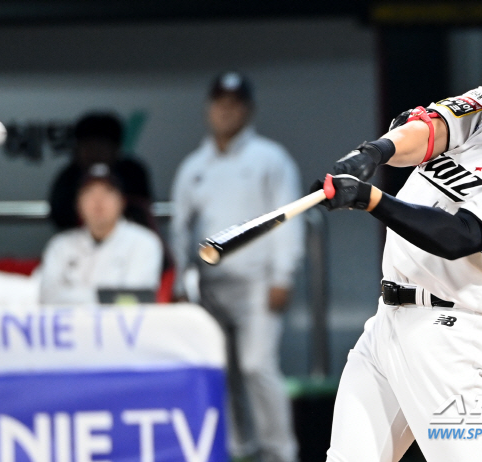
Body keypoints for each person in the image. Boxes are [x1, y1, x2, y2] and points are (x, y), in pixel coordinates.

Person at [313, 30, 482, 462]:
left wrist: (371, 199)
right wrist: (375, 152)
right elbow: (430, 130)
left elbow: (460, 237)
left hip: (453, 339)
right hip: (388, 321)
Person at [171, 72, 304, 462]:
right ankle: (234, 448)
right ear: (209, 109)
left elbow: (287, 218)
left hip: (258, 281)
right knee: (220, 369)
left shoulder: (270, 158)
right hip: (211, 284)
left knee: (256, 365)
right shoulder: (193, 166)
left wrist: (283, 275)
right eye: (220, 103)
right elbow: (179, 229)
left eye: (234, 104)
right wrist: (181, 282)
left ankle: (280, 452)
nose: (226, 111)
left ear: (248, 109)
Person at [41, 163, 163, 305]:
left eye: (108, 191)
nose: (98, 200)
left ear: (122, 201)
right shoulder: (60, 245)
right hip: (70, 325)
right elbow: (47, 297)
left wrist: (75, 296)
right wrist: (101, 297)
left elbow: (135, 299)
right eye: (89, 192)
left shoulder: (145, 242)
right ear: (77, 204)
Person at [48, 112, 153, 230]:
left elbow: (142, 211)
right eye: (88, 145)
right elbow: (60, 215)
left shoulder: (132, 173)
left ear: (116, 149)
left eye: (101, 145)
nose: (94, 152)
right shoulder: (69, 176)